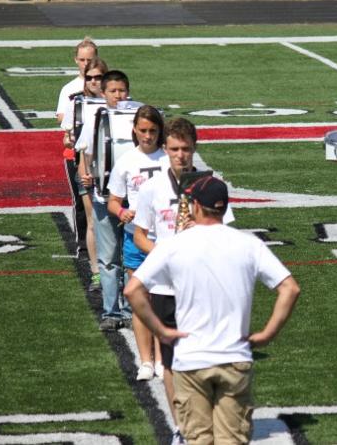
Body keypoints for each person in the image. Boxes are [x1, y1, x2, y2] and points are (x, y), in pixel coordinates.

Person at [126, 176, 299, 444]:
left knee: (197, 440)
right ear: (224, 207)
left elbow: (132, 290)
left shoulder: (175, 245)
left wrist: (160, 330)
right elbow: (290, 289)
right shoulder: (248, 243)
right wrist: (267, 334)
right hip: (234, 358)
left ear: (195, 206)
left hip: (191, 360)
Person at [133, 117, 235, 444]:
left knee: (208, 357)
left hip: (203, 285)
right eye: (174, 149)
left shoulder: (209, 185)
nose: (180, 156)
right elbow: (139, 236)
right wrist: (163, 254)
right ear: (165, 149)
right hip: (166, 287)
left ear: (195, 149)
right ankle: (181, 426)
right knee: (171, 360)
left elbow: (226, 230)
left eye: (186, 150)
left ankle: (209, 419)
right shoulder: (151, 188)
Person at [107, 105, 167, 381]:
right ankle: (145, 359)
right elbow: (113, 201)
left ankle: (161, 358)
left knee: (162, 302)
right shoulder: (126, 161)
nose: (148, 136)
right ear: (134, 130)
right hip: (135, 237)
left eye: (153, 131)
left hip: (165, 239)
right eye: (143, 131)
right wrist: (123, 213)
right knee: (140, 300)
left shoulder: (169, 158)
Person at [76, 70, 132, 331]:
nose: (118, 95)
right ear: (104, 93)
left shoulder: (138, 115)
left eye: (122, 90)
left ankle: (132, 308)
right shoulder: (96, 118)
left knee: (132, 256)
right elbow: (85, 154)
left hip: (133, 199)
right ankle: (112, 310)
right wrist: (86, 175)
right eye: (113, 91)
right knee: (108, 258)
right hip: (102, 195)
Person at [57, 38, 97, 258]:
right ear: (76, 60)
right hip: (76, 153)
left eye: (89, 59)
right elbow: (64, 120)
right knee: (81, 201)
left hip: (100, 155)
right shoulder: (70, 89)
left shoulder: (106, 87)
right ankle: (83, 242)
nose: (85, 63)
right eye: (81, 59)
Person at [74, 57, 109, 292]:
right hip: (87, 168)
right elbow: (80, 146)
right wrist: (86, 173)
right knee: (93, 222)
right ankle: (97, 273)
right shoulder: (78, 102)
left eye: (99, 77)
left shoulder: (122, 105)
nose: (94, 81)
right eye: (90, 77)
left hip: (113, 173)